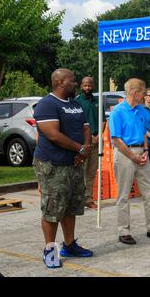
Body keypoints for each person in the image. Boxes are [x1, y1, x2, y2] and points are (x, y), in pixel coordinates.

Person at [33, 69, 93, 269]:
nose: (75, 83)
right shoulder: (47, 104)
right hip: (53, 164)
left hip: (74, 163)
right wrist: (81, 149)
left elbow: (86, 127)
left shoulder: (75, 104)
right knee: (52, 209)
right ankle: (50, 250)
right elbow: (53, 135)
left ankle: (69, 245)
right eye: (72, 81)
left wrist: (86, 149)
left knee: (70, 206)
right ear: (60, 82)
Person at [109, 78, 150, 245]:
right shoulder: (118, 111)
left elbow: (144, 132)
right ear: (134, 92)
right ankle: (124, 231)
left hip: (141, 152)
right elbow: (115, 139)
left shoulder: (143, 111)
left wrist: (145, 150)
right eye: (143, 92)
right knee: (123, 194)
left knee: (149, 191)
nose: (145, 95)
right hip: (124, 153)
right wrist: (133, 155)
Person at [75, 76, 106, 209]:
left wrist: (99, 136)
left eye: (89, 85)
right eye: (85, 85)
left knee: (91, 172)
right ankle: (78, 200)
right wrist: (88, 139)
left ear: (93, 86)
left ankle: (88, 199)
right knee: (80, 173)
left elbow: (103, 120)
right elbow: (75, 122)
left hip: (97, 140)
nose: (87, 87)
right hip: (83, 142)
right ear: (81, 86)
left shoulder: (98, 101)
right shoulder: (77, 101)